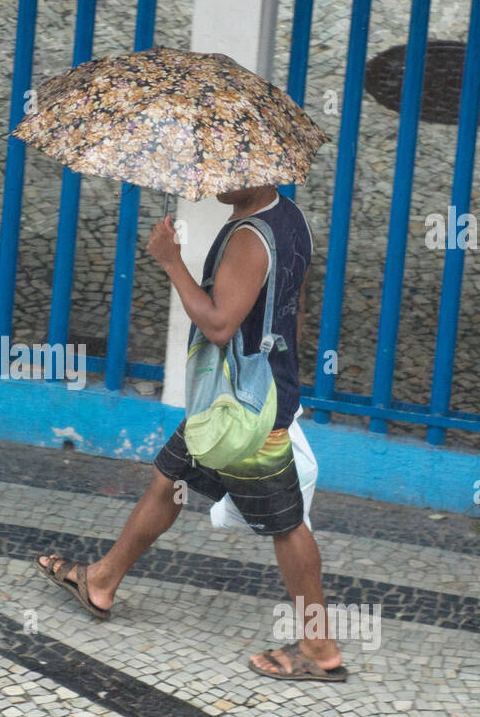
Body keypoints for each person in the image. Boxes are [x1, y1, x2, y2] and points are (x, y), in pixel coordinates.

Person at [37, 184, 347, 682]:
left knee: (287, 526)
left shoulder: (251, 237)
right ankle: (102, 581)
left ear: (257, 171)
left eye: (229, 171)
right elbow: (296, 311)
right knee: (169, 478)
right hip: (239, 395)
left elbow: (221, 325)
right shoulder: (291, 219)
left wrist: (170, 261)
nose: (217, 180)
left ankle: (319, 646)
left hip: (241, 411)